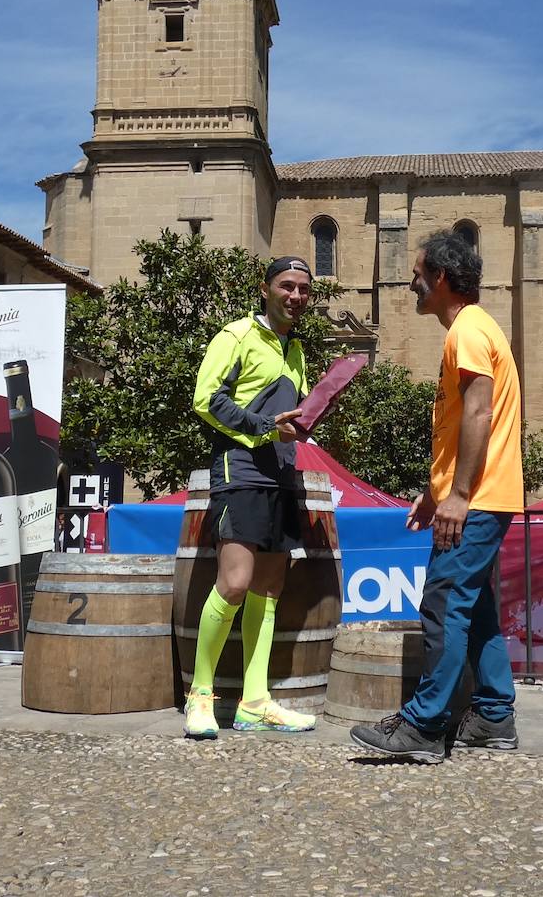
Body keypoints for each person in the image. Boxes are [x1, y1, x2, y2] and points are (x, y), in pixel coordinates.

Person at [350, 229, 524, 764]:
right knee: (477, 608)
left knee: (443, 604)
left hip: (477, 498)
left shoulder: (467, 332)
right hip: (483, 497)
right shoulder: (474, 329)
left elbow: (478, 413)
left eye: (417, 275)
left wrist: (460, 496)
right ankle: (494, 715)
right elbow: (455, 427)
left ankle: (424, 725)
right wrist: (434, 492)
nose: (411, 285)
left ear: (442, 278)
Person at [183, 255, 314, 739]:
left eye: (303, 289)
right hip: (238, 473)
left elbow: (288, 419)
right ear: (265, 289)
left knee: (268, 590)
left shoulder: (296, 350)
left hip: (282, 476)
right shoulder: (235, 335)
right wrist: (264, 429)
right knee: (235, 584)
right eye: (287, 286)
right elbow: (206, 399)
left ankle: (254, 703)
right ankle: (200, 696)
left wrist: (305, 422)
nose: (296, 296)